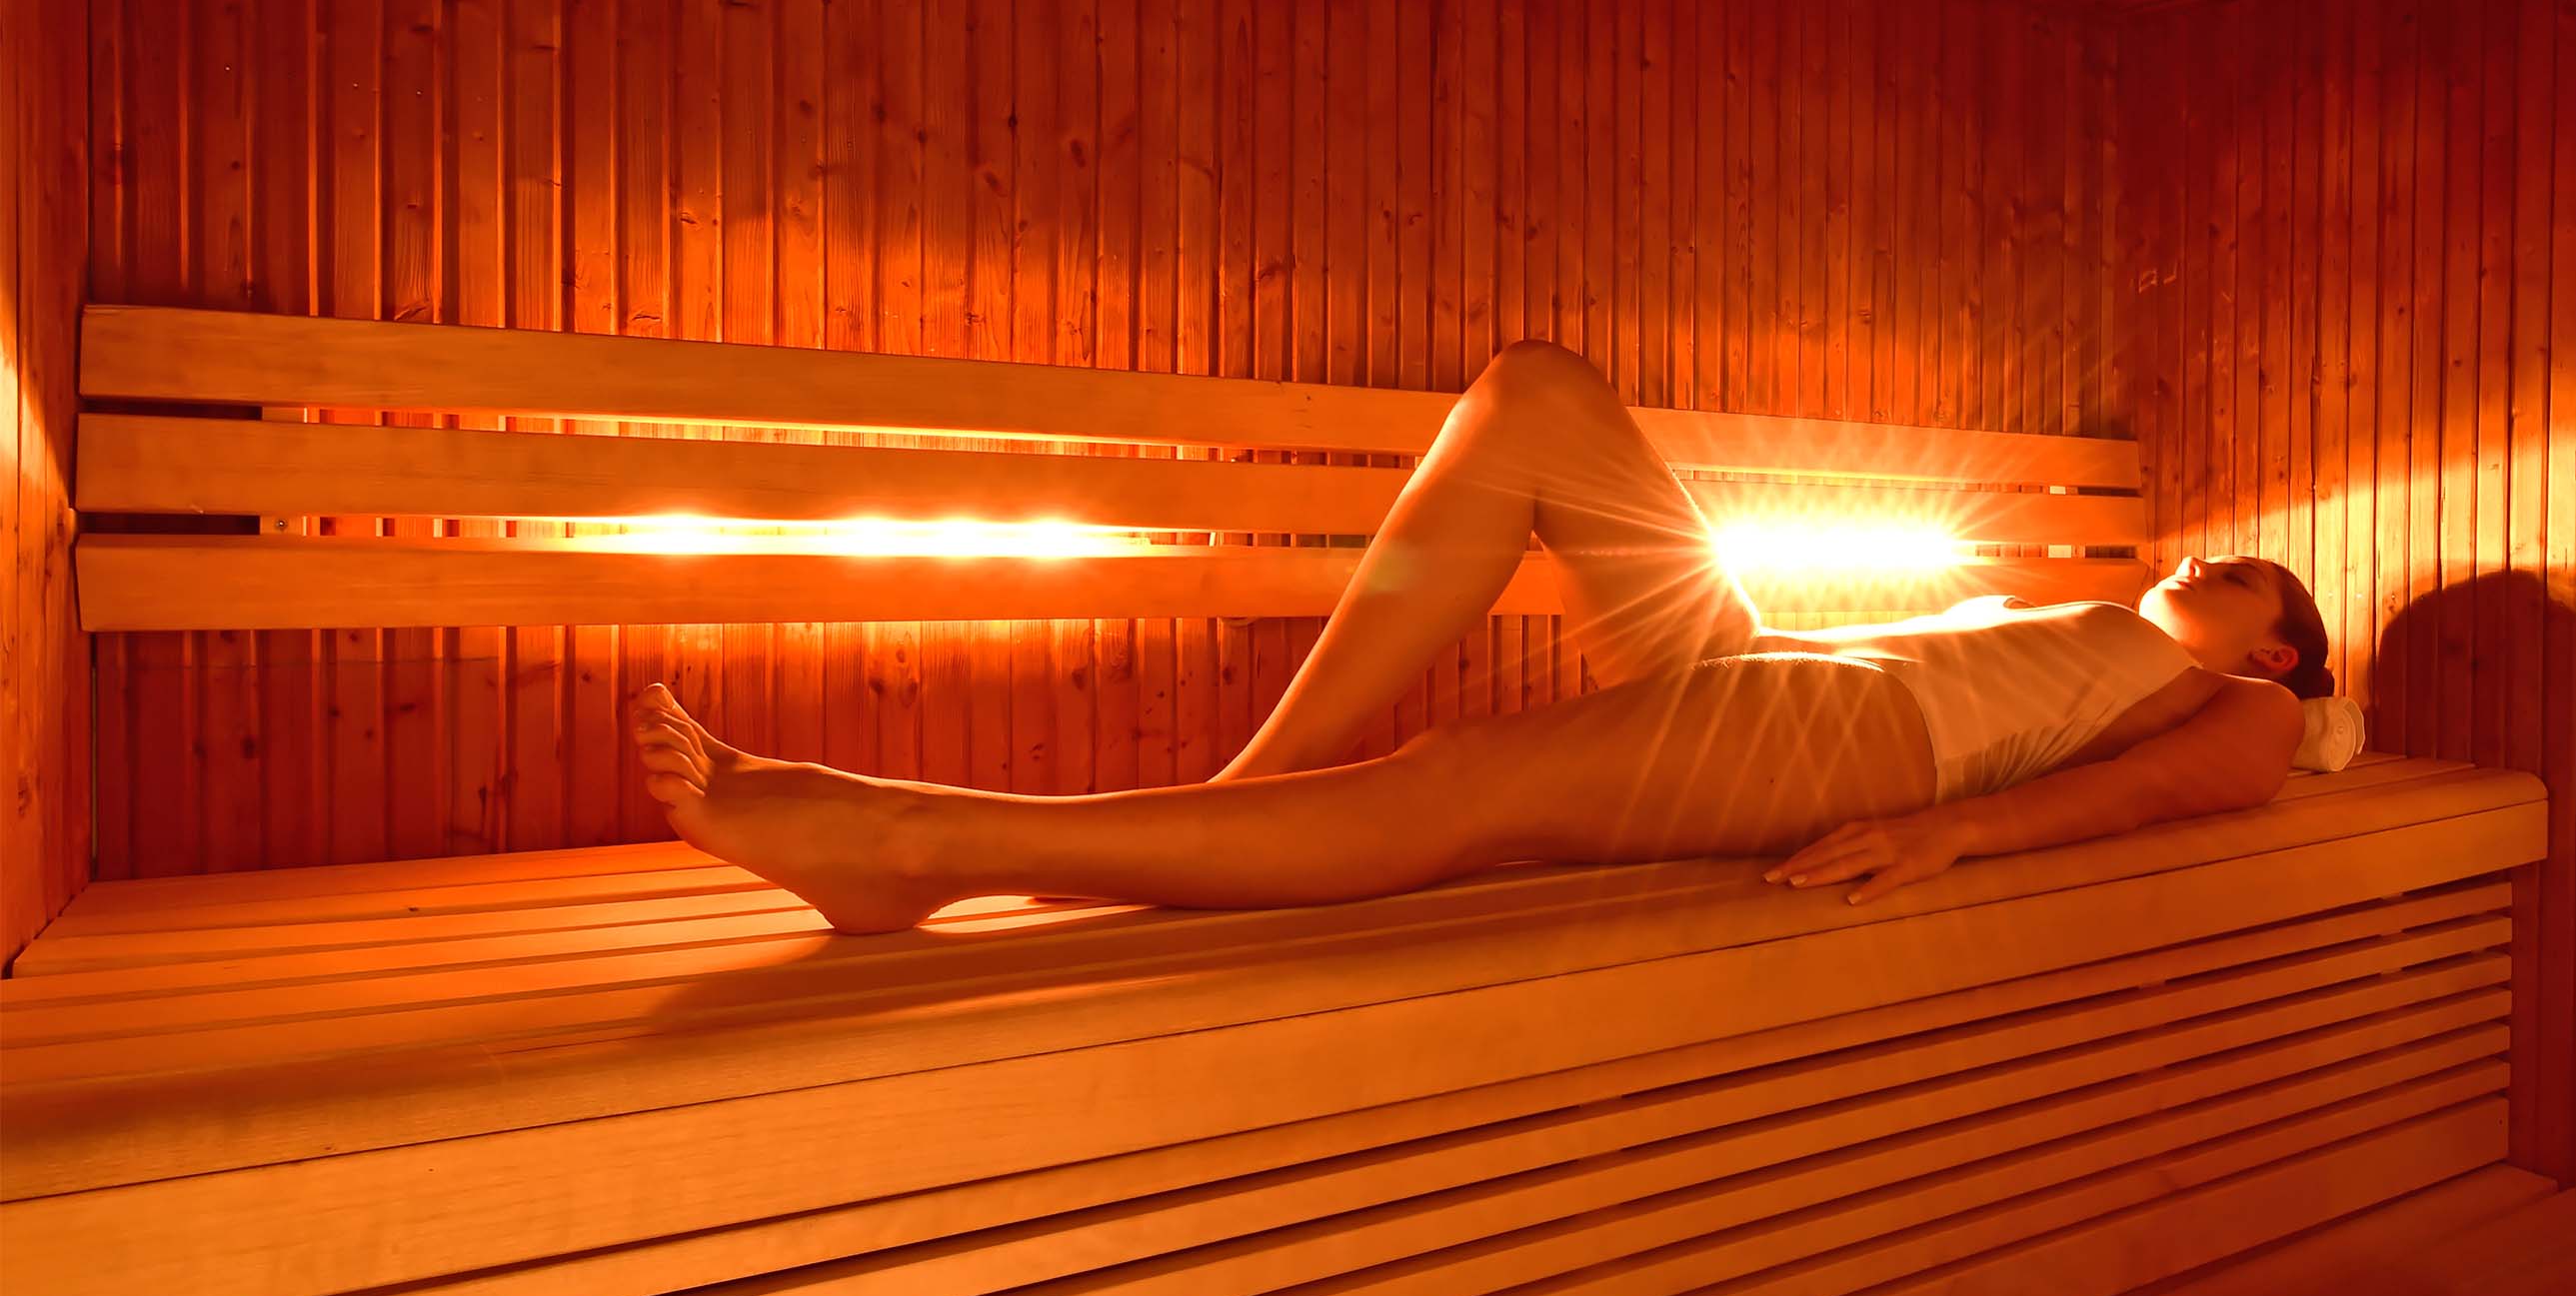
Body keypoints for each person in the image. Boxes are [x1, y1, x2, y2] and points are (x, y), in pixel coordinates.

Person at [629, 339, 2332, 933]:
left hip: (1876, 749)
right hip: (1784, 670)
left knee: (1457, 786)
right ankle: (1252, 792)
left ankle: (914, 845)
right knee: (1537, 401)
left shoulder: (2239, 706)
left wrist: (1953, 830)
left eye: (2243, 575)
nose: (2209, 564)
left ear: (2275, 650)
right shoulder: (2093, 620)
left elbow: (2178, 800)